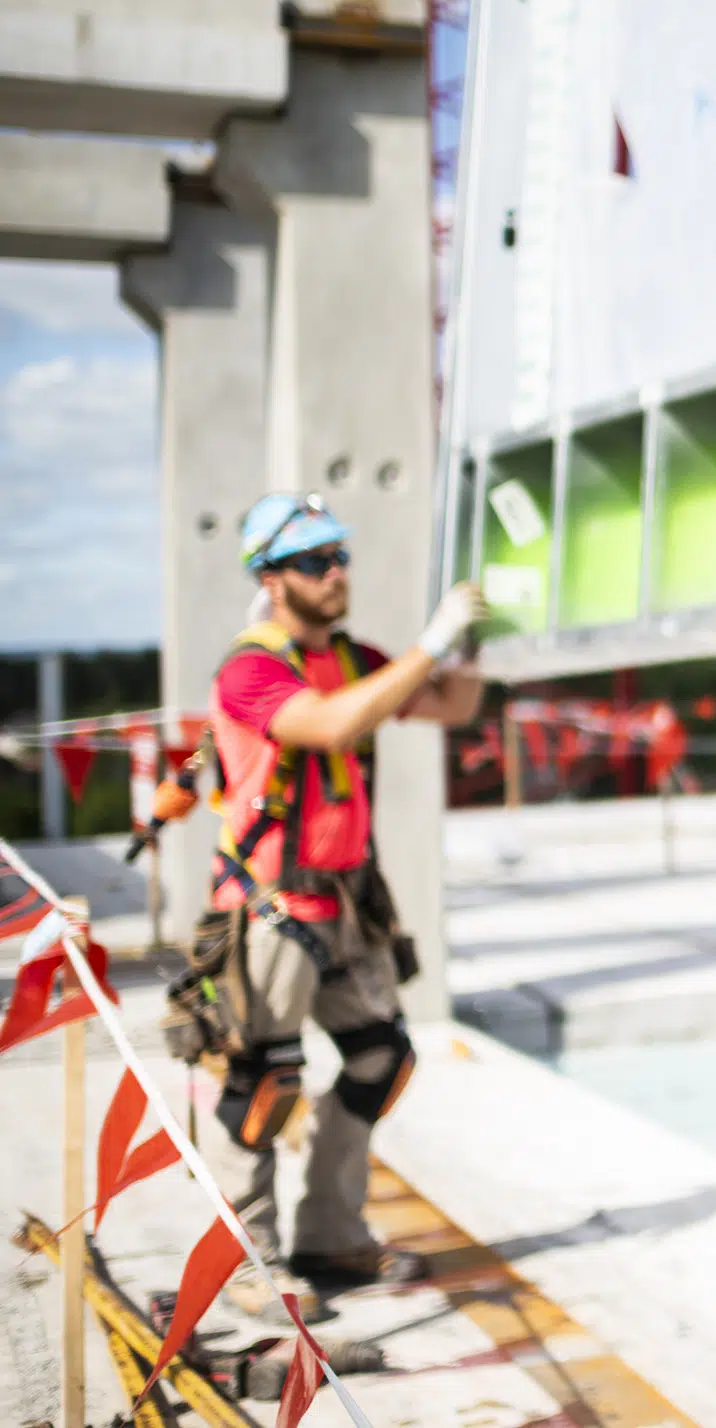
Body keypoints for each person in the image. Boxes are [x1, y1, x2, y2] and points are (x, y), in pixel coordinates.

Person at [196, 492, 488, 1319]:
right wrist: (428, 644)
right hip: (272, 910)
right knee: (260, 1082)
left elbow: (452, 706)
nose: (338, 571)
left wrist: (466, 643)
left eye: (340, 555)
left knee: (379, 1057)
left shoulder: (354, 659)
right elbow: (325, 728)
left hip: (345, 904)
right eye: (317, 561)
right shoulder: (251, 669)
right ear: (272, 578)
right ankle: (248, 1265)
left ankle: (330, 1235)